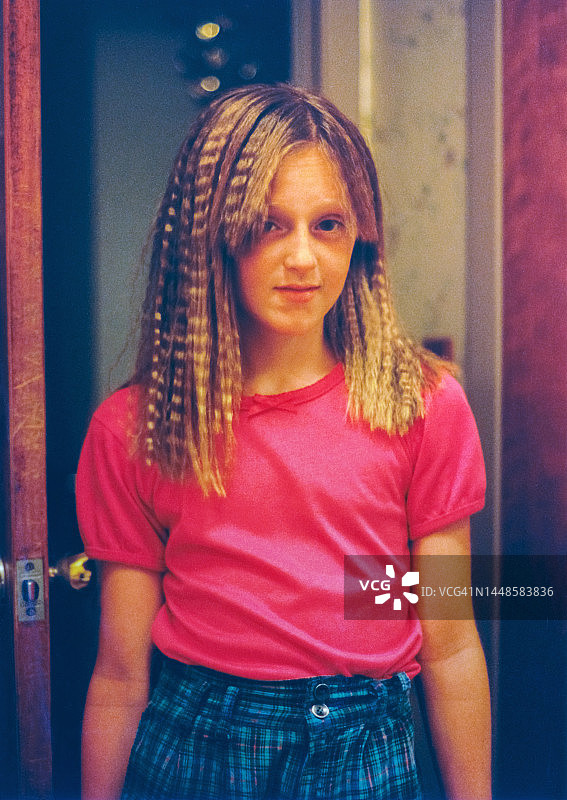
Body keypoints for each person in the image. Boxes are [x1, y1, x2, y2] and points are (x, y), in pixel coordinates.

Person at [77, 83, 491, 800]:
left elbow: (450, 645)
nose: (303, 256)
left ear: (360, 236)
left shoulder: (421, 406)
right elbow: (119, 677)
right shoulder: (136, 428)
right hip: (194, 745)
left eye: (327, 224)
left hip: (364, 749)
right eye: (269, 225)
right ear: (211, 240)